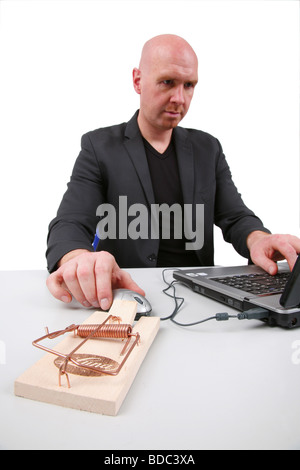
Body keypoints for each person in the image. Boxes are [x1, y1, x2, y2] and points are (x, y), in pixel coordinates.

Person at [46, 34, 300, 310]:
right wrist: (78, 258)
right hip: (130, 295)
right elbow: (70, 223)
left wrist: (260, 240)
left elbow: (235, 217)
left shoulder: (208, 148)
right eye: (168, 82)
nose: (180, 98)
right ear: (137, 80)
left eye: (189, 85)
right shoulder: (99, 146)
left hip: (202, 298)